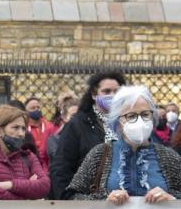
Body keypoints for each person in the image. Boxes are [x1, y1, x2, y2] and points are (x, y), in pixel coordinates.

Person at [50, 71, 126, 200]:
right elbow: (62, 166)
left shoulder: (128, 121)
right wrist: (68, 199)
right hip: (89, 201)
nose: (112, 96)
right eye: (106, 91)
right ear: (94, 95)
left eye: (116, 92)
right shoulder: (78, 124)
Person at [0, 106, 49, 200]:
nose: (21, 133)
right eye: (15, 128)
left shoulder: (29, 157)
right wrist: (26, 197)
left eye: (23, 129)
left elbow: (44, 186)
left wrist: (10, 185)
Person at [24, 97, 54, 168]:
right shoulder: (23, 128)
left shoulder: (49, 126)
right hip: (30, 165)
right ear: (26, 111)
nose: (36, 110)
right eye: (32, 108)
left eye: (38, 107)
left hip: (48, 165)